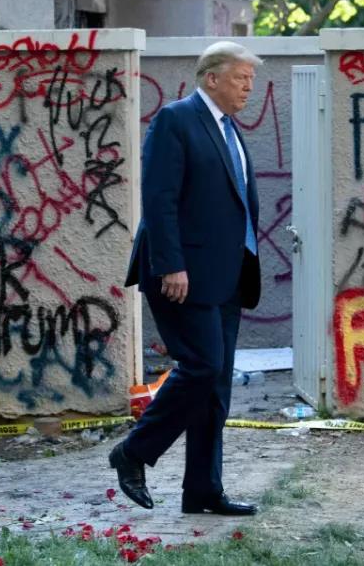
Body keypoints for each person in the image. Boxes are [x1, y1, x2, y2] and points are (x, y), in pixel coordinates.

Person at [110, 41, 263, 515]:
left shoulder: (229, 128)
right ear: (211, 78)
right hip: (183, 274)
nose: (248, 88)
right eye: (241, 78)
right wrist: (170, 264)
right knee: (201, 367)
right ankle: (133, 451)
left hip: (228, 275)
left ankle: (203, 490)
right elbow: (159, 198)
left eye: (251, 80)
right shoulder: (176, 120)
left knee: (215, 388)